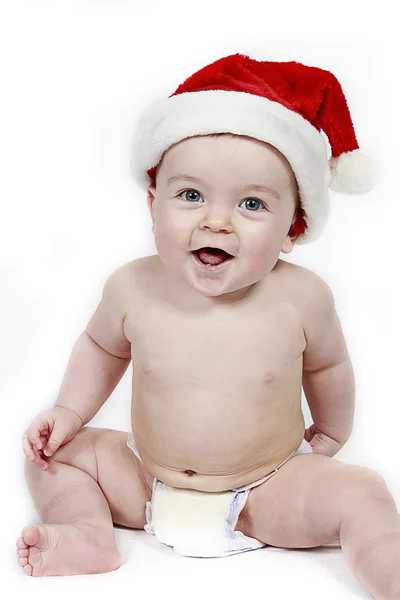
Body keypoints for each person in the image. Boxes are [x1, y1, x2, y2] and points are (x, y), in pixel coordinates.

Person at [16, 53, 399, 599]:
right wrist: (69, 411)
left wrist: (333, 429)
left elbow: (329, 364)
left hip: (267, 490)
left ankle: (387, 565)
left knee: (363, 492)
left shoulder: (301, 297)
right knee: (53, 459)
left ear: (293, 229)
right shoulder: (131, 287)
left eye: (251, 203)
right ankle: (88, 533)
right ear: (153, 205)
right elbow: (101, 349)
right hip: (145, 481)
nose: (215, 221)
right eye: (190, 195)